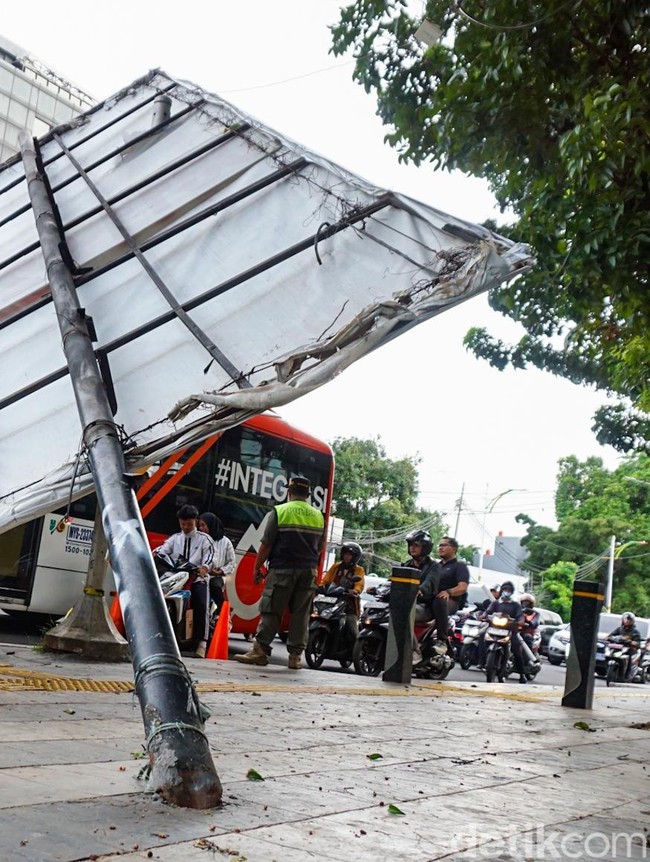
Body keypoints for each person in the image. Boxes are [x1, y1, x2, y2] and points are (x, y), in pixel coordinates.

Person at [235, 475, 325, 670]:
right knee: (301, 614)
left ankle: (260, 651)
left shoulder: (280, 511)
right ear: (307, 495)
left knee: (272, 610)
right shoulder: (318, 516)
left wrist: (257, 567)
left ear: (289, 492)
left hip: (282, 568)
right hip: (308, 571)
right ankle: (295, 657)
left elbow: (267, 544)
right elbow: (320, 547)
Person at [153, 504, 215, 658]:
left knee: (201, 603)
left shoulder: (205, 539)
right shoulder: (175, 539)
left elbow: (210, 557)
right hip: (176, 578)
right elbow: (162, 551)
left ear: (195, 521)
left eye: (189, 524)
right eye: (183, 524)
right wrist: (154, 554)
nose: (186, 527)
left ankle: (202, 643)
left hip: (197, 579)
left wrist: (204, 568)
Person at [420, 536, 469, 655]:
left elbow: (462, 587)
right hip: (431, 597)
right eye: (439, 545)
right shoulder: (435, 566)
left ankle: (441, 640)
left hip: (449, 600)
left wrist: (448, 592)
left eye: (444, 545)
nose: (440, 548)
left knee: (439, 599)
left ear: (454, 549)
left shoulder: (459, 566)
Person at [402, 529, 441, 664]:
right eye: (410, 545)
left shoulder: (434, 566)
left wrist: (420, 590)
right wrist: (378, 588)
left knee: (404, 614)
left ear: (425, 548)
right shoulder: (406, 565)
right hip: (404, 602)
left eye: (416, 545)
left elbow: (429, 583)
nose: (412, 548)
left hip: (423, 606)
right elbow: (392, 580)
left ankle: (415, 650)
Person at [479, 580, 527, 683]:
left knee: (517, 649)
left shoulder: (515, 605)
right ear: (502, 591)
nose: (507, 592)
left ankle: (522, 674)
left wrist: (520, 621)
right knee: (481, 636)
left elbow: (520, 616)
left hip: (509, 630)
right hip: (494, 629)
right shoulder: (496, 603)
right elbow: (487, 612)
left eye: (509, 590)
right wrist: (483, 616)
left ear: (512, 592)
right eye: (505, 590)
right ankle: (482, 662)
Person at [197, 512, 236, 626]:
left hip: (216, 576)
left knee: (214, 585)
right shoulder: (198, 539)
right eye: (199, 526)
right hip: (200, 574)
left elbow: (232, 562)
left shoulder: (225, 542)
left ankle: (223, 612)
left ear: (211, 525)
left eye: (203, 525)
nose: (201, 528)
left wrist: (221, 571)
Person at [321, 541, 365, 640]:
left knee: (353, 631)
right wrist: (321, 586)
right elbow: (326, 580)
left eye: (349, 555)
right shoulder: (336, 566)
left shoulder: (359, 570)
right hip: (333, 602)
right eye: (345, 554)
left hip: (349, 605)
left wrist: (355, 591)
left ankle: (355, 648)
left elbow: (360, 584)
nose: (347, 556)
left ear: (355, 557)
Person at [607, 612, 642, 681]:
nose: (627, 621)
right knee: (609, 654)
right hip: (618, 648)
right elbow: (610, 636)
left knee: (629, 658)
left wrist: (629, 642)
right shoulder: (620, 629)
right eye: (626, 619)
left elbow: (638, 644)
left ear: (632, 621)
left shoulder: (635, 632)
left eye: (629, 619)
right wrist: (610, 638)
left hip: (629, 650)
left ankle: (627, 675)